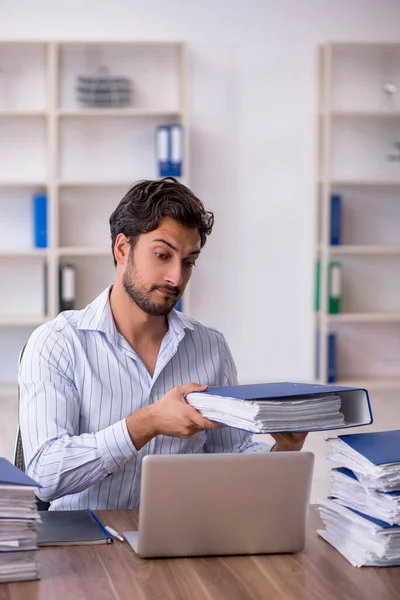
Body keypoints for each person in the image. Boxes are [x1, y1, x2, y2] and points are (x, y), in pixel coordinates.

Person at [19, 178, 307, 510]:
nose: (176, 277)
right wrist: (147, 423)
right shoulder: (58, 343)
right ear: (122, 249)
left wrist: (282, 450)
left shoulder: (209, 346)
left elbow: (231, 454)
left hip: (182, 539)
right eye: (162, 255)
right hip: (87, 547)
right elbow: (43, 475)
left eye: (188, 262)